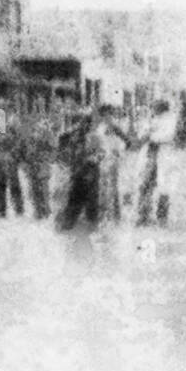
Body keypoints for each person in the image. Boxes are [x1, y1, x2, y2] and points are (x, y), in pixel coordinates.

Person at [57, 110, 103, 260]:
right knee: (75, 196)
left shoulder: (94, 137)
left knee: (90, 198)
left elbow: (101, 153)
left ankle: (90, 222)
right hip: (77, 170)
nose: (83, 124)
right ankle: (69, 222)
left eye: (85, 122)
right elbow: (61, 141)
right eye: (80, 121)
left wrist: (94, 159)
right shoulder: (73, 135)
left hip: (89, 171)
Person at [136, 99, 176, 225]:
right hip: (149, 155)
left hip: (163, 156)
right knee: (145, 185)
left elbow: (169, 136)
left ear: (162, 108)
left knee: (163, 187)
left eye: (154, 107)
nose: (152, 110)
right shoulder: (151, 119)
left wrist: (151, 136)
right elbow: (141, 135)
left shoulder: (170, 120)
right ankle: (143, 216)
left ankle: (162, 217)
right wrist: (147, 131)